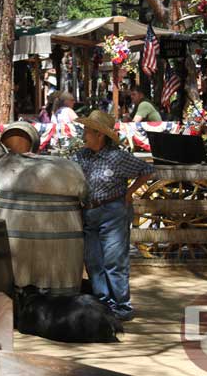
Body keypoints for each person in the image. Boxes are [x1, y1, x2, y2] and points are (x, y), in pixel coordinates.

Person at [72, 110, 155, 321]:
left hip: (113, 212)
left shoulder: (117, 157)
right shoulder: (81, 156)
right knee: (93, 261)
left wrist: (129, 193)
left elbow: (146, 169)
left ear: (100, 135)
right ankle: (104, 303)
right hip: (90, 211)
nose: (84, 135)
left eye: (88, 131)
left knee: (114, 261)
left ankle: (121, 306)